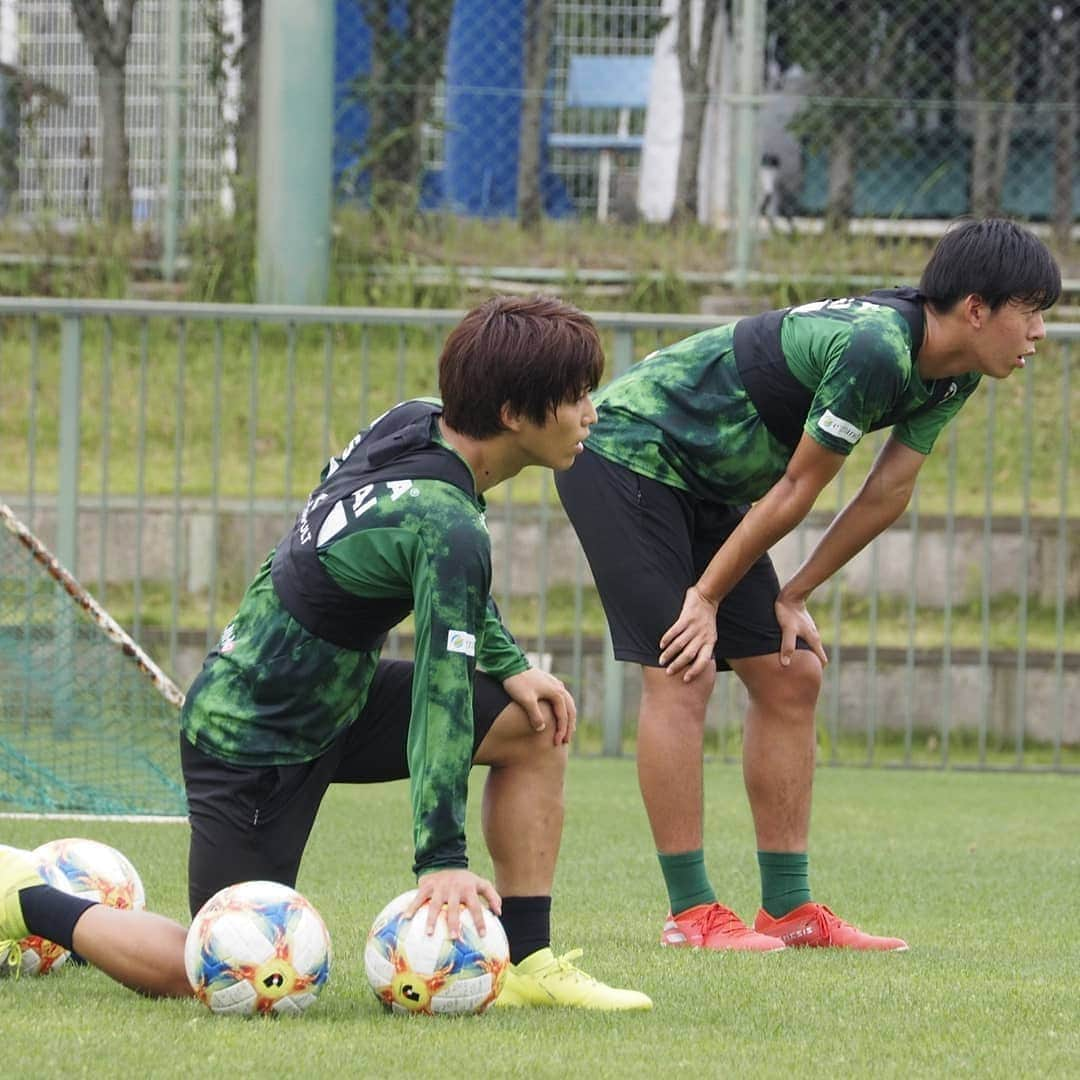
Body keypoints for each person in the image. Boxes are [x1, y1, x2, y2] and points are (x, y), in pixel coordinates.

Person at [1, 294, 652, 1010]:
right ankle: (27, 899)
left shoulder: (411, 420)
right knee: (220, 969)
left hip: (343, 697)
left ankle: (528, 960)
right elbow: (441, 695)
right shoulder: (448, 523)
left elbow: (445, 590)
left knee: (535, 723)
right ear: (511, 414)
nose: (591, 412)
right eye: (576, 396)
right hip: (253, 733)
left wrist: (509, 664)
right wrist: (442, 863)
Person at [554, 218, 1060, 952]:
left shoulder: (953, 372)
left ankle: (788, 909)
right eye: (1032, 311)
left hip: (711, 486)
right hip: (631, 455)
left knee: (792, 674)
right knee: (683, 670)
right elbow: (798, 484)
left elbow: (889, 492)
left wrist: (794, 594)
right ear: (977, 309)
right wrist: (705, 599)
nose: (1040, 333)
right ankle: (691, 915)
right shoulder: (877, 348)